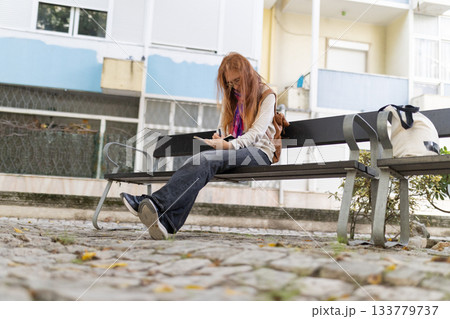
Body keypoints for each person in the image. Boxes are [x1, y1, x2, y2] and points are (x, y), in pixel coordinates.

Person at [120, 52, 277, 240]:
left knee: (204, 160)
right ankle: (168, 223)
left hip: (260, 153)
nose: (234, 87)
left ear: (248, 74)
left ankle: (155, 203)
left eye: (237, 80)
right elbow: (229, 131)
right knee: (199, 162)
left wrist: (227, 146)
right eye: (230, 83)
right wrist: (222, 137)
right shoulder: (235, 98)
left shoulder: (267, 94)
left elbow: (255, 134)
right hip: (239, 151)